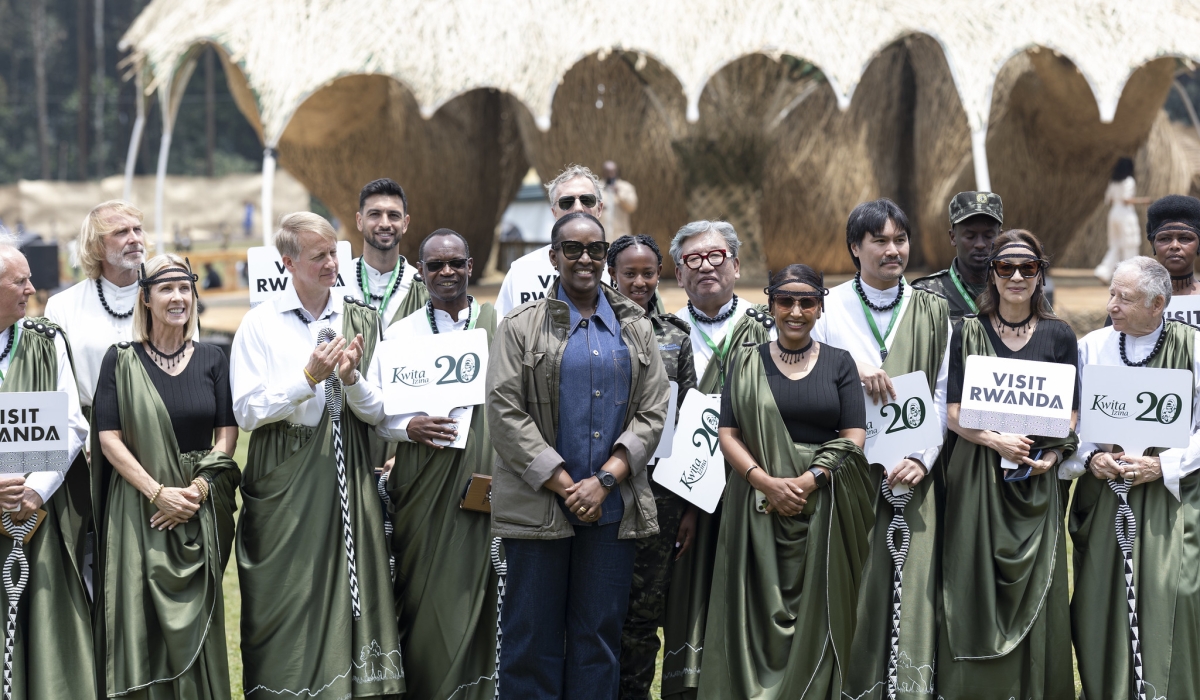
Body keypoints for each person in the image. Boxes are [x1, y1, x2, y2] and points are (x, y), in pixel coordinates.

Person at [486, 212, 669, 700]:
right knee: (531, 643)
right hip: (538, 507)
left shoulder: (635, 328)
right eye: (572, 249)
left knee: (598, 641)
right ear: (553, 257)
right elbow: (504, 412)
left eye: (595, 250)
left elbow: (652, 414)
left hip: (611, 512)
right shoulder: (519, 328)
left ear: (606, 258)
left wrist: (603, 481)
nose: (584, 259)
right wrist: (567, 485)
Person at [230, 212, 403, 698]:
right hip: (285, 472)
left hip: (347, 464)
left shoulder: (359, 316)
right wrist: (306, 379)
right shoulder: (260, 323)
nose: (332, 264)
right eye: (319, 256)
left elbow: (378, 411)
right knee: (286, 593)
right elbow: (246, 411)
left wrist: (350, 379)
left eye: (334, 253)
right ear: (288, 263)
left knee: (355, 595)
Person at [696, 265, 875, 698]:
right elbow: (728, 433)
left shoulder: (840, 363)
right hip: (755, 506)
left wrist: (811, 480)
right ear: (771, 303)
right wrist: (766, 483)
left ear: (819, 306)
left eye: (807, 302)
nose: (796, 311)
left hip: (823, 506)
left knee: (820, 607)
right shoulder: (744, 360)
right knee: (752, 605)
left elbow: (854, 433)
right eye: (785, 302)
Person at [349, 229, 500, 700]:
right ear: (422, 271)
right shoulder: (400, 333)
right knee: (422, 596)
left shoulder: (499, 324)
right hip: (421, 486)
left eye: (455, 263)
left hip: (483, 477)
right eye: (435, 266)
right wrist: (406, 427)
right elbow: (376, 415)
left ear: (471, 265)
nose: (447, 273)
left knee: (482, 593)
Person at [813, 199, 950, 700]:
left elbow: (940, 392)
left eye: (900, 240)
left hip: (914, 475)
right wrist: (849, 373)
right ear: (855, 247)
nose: (893, 251)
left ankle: (909, 688)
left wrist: (921, 459)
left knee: (912, 582)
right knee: (856, 582)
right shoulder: (827, 308)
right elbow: (809, 385)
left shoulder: (934, 310)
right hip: (850, 477)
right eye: (880, 241)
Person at [92, 254, 239, 699]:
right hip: (140, 507)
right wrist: (158, 493)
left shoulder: (214, 357)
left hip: (197, 506)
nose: (178, 298)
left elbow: (227, 433)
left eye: (185, 289)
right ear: (146, 298)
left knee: (199, 618)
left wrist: (195, 491)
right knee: (142, 618)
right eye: (166, 289)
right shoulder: (120, 361)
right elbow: (109, 439)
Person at [941, 229, 1078, 698]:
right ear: (992, 275)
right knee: (969, 581)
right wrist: (996, 441)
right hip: (977, 474)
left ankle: (1034, 684)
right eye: (1005, 267)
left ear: (1040, 274)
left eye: (1028, 268)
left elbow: (1072, 413)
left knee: (1039, 585)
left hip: (1036, 480)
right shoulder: (967, 331)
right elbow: (953, 411)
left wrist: (1051, 457)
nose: (1016, 276)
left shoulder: (1060, 334)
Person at [1068, 256, 1200, 699]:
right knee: (1098, 602)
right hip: (1107, 497)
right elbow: (1075, 424)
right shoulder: (1092, 347)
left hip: (1169, 496)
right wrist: (1091, 459)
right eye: (1111, 295)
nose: (1111, 306)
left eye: (1123, 298)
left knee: (1174, 592)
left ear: (1158, 302)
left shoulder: (1194, 346)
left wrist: (1163, 465)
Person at [660, 219, 772, 700]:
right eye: (692, 259)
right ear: (679, 274)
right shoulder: (661, 332)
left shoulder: (768, 324)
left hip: (755, 482)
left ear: (737, 265)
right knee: (686, 595)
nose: (706, 266)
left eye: (716, 256)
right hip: (680, 486)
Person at [606, 235, 698, 699]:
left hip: (658, 498)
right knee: (598, 611)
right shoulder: (588, 330)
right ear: (612, 275)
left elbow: (691, 427)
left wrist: (689, 508)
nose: (639, 282)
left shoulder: (676, 337)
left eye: (648, 273)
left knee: (643, 616)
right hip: (598, 490)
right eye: (629, 273)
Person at [0, 240, 93, 699]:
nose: (32, 289)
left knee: (44, 628)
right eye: (19, 281)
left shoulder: (46, 339)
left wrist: (35, 493)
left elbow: (73, 426)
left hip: (37, 521)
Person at [45, 200, 146, 410]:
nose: (135, 239)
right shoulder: (62, 306)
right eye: (121, 232)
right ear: (97, 246)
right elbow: (55, 385)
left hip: (158, 430)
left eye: (137, 229)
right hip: (89, 435)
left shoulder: (168, 298)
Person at [494, 165, 610, 317]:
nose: (578, 208)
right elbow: (501, 331)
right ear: (554, 212)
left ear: (600, 209)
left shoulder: (620, 268)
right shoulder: (521, 271)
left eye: (587, 200)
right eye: (566, 202)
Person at [346, 178, 429, 328]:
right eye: (375, 214)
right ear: (359, 221)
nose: (384, 224)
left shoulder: (421, 288)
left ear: (405, 223)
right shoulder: (339, 281)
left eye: (393, 215)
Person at [911, 191, 1003, 322]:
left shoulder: (1015, 288)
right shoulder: (926, 293)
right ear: (953, 237)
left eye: (988, 236)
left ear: (1000, 237)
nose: (980, 244)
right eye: (970, 236)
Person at [1094, 158, 1152, 283]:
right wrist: (1143, 201)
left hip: (1113, 213)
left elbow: (1108, 199)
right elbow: (1126, 199)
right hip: (1125, 214)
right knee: (1129, 244)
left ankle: (1103, 272)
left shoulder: (1113, 182)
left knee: (1115, 245)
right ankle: (1130, 275)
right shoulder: (1129, 181)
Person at [1147, 194, 1200, 296]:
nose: (1175, 245)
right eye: (1164, 238)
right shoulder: (1137, 298)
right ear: (1152, 244)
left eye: (1185, 238)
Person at [601, 161, 638, 242]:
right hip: (602, 236)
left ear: (616, 172)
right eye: (607, 172)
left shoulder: (626, 187)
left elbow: (632, 207)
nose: (610, 175)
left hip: (621, 235)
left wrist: (619, 193)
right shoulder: (597, 187)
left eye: (612, 172)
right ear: (603, 173)